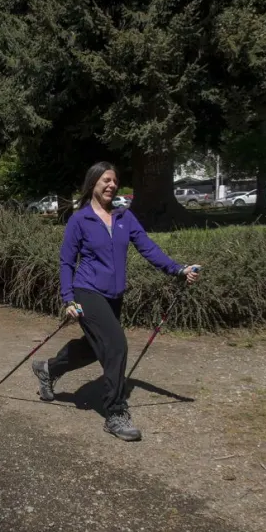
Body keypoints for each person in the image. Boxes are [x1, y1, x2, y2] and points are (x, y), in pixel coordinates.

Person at [31, 162, 200, 442]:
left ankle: (48, 369)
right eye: (106, 180)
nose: (111, 185)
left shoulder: (124, 217)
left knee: (93, 348)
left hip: (114, 295)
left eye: (115, 181)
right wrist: (67, 298)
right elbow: (65, 261)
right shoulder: (80, 220)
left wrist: (178, 269)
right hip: (86, 291)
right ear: (93, 183)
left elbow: (148, 248)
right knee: (116, 345)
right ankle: (115, 412)